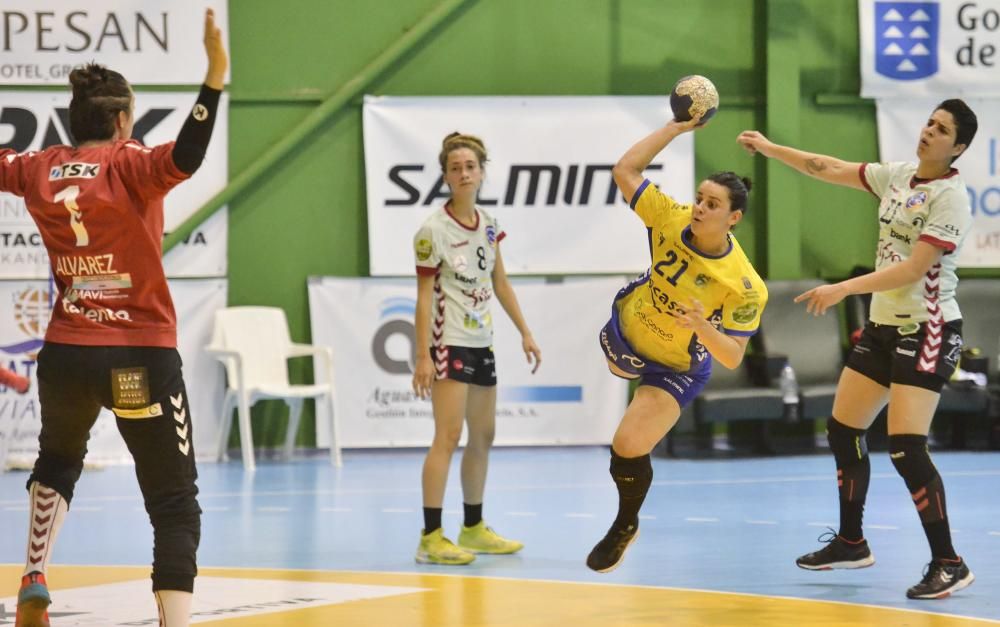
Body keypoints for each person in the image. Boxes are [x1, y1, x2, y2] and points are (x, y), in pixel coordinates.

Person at [0, 9, 227, 626]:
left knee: (56, 462)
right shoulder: (130, 163)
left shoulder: (40, 167)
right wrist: (214, 75)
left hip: (67, 356)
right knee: (174, 502)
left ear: (74, 123)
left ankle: (34, 576)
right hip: (136, 359)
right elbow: (188, 152)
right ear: (123, 120)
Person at [737, 98, 978, 600]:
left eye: (941, 129)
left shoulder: (951, 197)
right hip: (883, 328)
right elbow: (827, 167)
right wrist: (769, 148)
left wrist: (844, 289)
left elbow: (914, 270)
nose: (928, 131)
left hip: (928, 329)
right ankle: (851, 541)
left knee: (906, 446)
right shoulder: (897, 176)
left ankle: (949, 562)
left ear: (958, 147)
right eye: (928, 121)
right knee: (843, 429)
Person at [587, 116, 767, 573]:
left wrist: (703, 326)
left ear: (734, 218)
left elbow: (732, 356)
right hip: (629, 328)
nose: (701, 208)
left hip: (678, 365)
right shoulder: (670, 217)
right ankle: (631, 367)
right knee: (619, 373)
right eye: (700, 199)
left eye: (713, 204)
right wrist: (674, 128)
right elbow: (625, 171)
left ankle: (625, 524)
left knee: (627, 445)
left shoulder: (744, 285)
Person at [411, 132, 542, 565]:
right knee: (447, 437)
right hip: (450, 343)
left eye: (470, 166)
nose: (464, 173)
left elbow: (499, 282)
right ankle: (431, 537)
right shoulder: (433, 231)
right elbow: (425, 297)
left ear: (481, 172)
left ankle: (473, 527)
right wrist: (423, 355)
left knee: (483, 435)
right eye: (455, 168)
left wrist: (524, 330)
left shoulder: (488, 223)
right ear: (446, 177)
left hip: (482, 341)